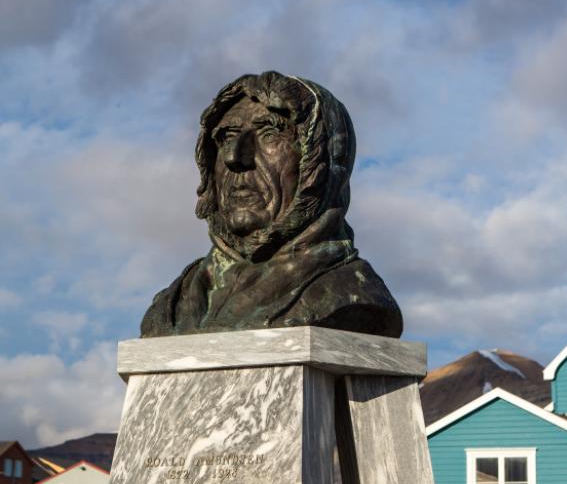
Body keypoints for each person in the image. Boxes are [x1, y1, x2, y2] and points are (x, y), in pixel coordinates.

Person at [141, 71, 403, 338]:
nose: (234, 157)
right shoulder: (170, 307)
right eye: (227, 138)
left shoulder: (353, 293)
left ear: (319, 162)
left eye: (269, 134)